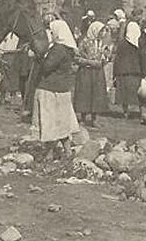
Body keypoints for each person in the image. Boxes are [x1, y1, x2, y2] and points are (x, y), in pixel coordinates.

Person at [33, 19, 81, 160]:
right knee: (63, 122)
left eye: (52, 31)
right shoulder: (68, 48)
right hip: (63, 90)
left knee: (50, 122)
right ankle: (67, 151)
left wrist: (38, 56)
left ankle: (49, 153)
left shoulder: (58, 49)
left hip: (50, 89)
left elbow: (47, 67)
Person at [73, 21, 110, 127]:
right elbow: (76, 57)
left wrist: (104, 60)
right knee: (85, 93)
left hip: (97, 72)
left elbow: (107, 56)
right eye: (101, 30)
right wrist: (89, 62)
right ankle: (83, 117)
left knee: (96, 94)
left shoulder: (103, 43)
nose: (102, 33)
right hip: (86, 72)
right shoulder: (84, 42)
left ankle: (94, 118)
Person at [113, 20, 143, 118]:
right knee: (136, 92)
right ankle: (140, 110)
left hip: (122, 70)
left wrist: (115, 73)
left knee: (124, 92)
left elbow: (117, 58)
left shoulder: (122, 43)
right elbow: (143, 58)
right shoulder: (140, 43)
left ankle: (125, 111)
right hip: (135, 71)